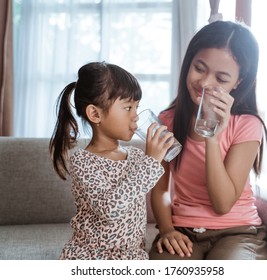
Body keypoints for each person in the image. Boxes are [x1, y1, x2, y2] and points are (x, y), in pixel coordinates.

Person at [148, 20, 267, 260]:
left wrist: (212, 138)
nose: (204, 83)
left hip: (238, 232)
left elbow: (222, 204)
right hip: (183, 231)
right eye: (199, 68)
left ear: (239, 82)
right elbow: (160, 187)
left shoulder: (247, 125)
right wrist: (167, 229)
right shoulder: (168, 120)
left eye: (221, 78)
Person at [49, 61, 174, 260]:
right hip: (92, 256)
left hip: (131, 255)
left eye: (137, 107)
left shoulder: (136, 156)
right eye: (127, 107)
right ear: (95, 114)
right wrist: (150, 163)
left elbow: (151, 187)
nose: (135, 116)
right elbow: (110, 209)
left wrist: (162, 155)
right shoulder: (83, 161)